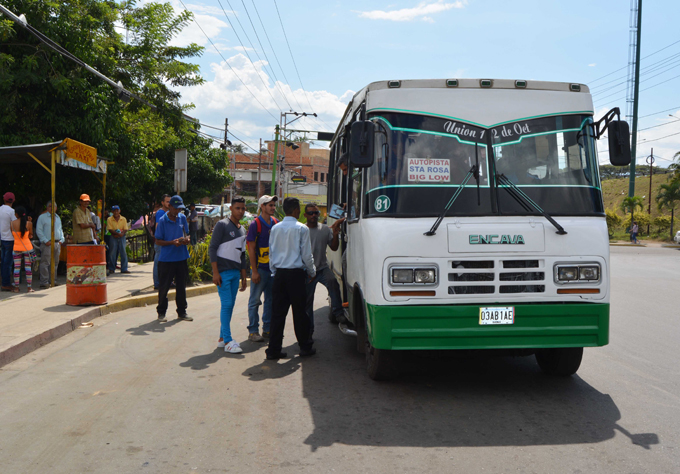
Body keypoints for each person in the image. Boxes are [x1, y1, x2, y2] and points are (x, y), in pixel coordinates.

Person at [265, 197, 316, 360]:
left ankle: (273, 350)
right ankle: (305, 347)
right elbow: (306, 255)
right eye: (299, 209)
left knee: (277, 314)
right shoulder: (302, 229)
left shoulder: (275, 228)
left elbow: (271, 253)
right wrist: (312, 272)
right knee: (300, 312)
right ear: (295, 210)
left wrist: (275, 271)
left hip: (279, 275)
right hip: (296, 275)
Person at [209, 197, 248, 354]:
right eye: (238, 208)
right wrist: (215, 272)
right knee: (226, 305)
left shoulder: (243, 229)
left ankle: (221, 338)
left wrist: (243, 276)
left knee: (230, 306)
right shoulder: (222, 225)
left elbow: (242, 255)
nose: (240, 211)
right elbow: (212, 248)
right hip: (223, 273)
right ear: (231, 208)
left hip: (235, 273)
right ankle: (228, 341)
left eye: (243, 208)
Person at [304, 204, 346, 332]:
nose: (314, 215)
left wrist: (335, 233)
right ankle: (308, 331)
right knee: (307, 303)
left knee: (333, 282)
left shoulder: (324, 229)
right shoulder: (301, 230)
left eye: (316, 213)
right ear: (305, 215)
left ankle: (338, 312)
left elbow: (334, 247)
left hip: (322, 268)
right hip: (306, 272)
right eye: (311, 213)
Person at [154, 195, 193, 322]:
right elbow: (158, 241)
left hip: (181, 257)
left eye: (180, 209)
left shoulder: (182, 218)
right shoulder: (162, 220)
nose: (178, 212)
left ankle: (182, 312)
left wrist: (186, 240)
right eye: (176, 209)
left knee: (181, 286)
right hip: (166, 259)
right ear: (169, 206)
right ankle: (161, 312)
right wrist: (172, 242)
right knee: (164, 287)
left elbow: (187, 234)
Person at [245, 195, 279, 342]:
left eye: (273, 205)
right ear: (262, 206)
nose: (273, 207)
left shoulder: (276, 223)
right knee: (254, 301)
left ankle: (267, 329)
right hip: (260, 270)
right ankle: (253, 331)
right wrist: (254, 271)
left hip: (273, 270)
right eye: (269, 205)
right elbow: (251, 249)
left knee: (270, 301)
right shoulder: (255, 225)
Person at [36, 201, 65, 289]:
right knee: (45, 262)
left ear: (56, 208)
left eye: (54, 206)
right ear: (47, 208)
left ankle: (53, 280)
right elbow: (39, 230)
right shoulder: (42, 217)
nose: (52, 208)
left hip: (57, 242)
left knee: (55, 263)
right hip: (47, 243)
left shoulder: (57, 217)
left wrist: (61, 240)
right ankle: (44, 282)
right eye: (50, 206)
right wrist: (45, 240)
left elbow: (60, 230)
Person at [11, 206, 35, 293]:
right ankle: (29, 288)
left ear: (17, 214)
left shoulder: (12, 223)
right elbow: (31, 235)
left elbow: (13, 235)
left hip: (16, 248)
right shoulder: (29, 224)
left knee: (16, 268)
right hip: (27, 248)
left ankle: (16, 288)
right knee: (28, 268)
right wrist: (30, 222)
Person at [152, 194, 171, 289]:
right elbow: (158, 227)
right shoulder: (160, 213)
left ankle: (167, 281)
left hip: (167, 242)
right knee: (158, 262)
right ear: (162, 203)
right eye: (167, 201)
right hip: (160, 242)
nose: (169, 203)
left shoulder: (169, 212)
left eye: (170, 201)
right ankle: (157, 283)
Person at [0, 192, 17, 291]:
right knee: (8, 263)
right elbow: (14, 225)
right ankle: (6, 283)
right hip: (10, 239)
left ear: (4, 199)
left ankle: (3, 281)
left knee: (3, 262)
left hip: (2, 238)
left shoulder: (0, 209)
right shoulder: (11, 211)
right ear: (13, 201)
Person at [107, 205, 130, 274]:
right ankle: (111, 268)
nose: (116, 212)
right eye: (114, 211)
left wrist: (121, 234)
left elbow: (125, 228)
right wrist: (116, 234)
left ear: (119, 211)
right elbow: (110, 229)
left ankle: (124, 268)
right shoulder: (109, 219)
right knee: (112, 252)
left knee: (123, 252)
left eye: (117, 210)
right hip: (113, 236)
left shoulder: (123, 219)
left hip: (122, 236)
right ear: (112, 212)